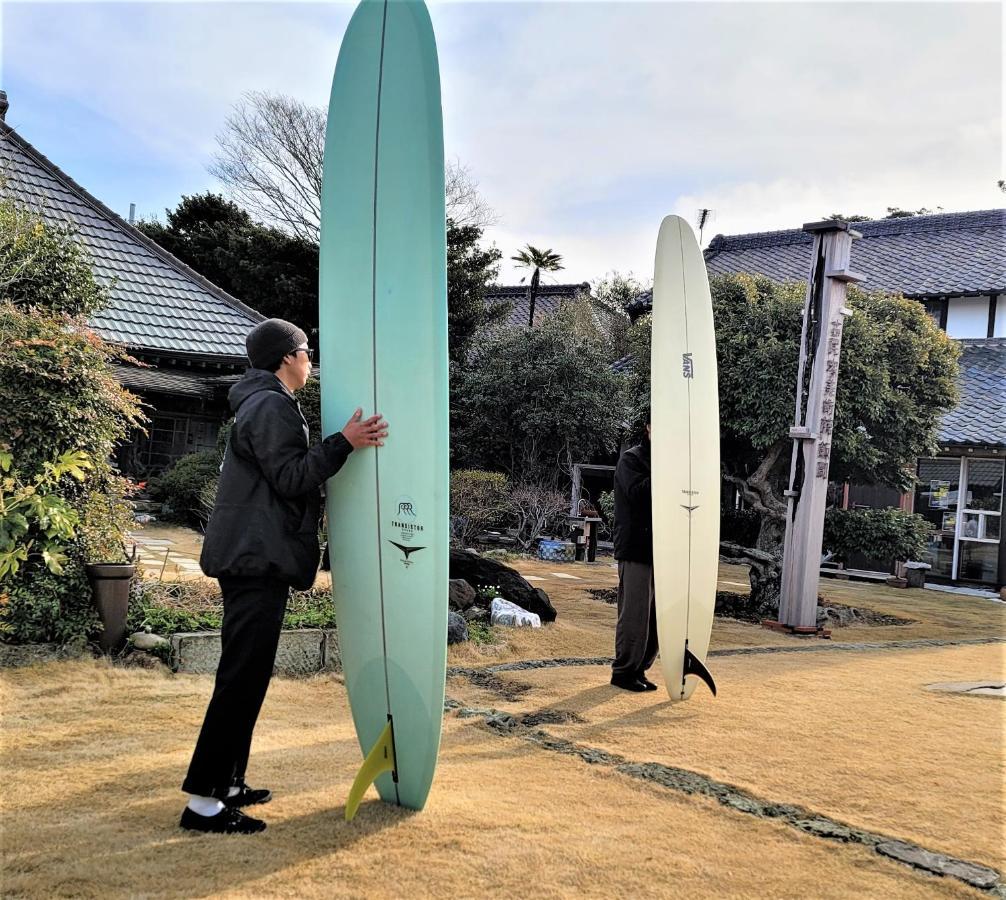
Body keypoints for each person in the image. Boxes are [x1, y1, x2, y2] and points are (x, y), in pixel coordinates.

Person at [180, 318, 387, 834]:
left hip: (255, 556)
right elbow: (292, 476)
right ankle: (202, 804)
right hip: (255, 560)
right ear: (286, 358)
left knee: (247, 676)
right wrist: (344, 442)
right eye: (306, 351)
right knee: (240, 679)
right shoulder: (270, 404)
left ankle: (227, 783)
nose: (310, 360)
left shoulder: (266, 401)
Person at [610, 420, 658, 692]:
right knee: (635, 612)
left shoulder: (673, 459)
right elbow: (638, 494)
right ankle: (624, 671)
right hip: (636, 546)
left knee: (657, 616)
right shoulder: (632, 459)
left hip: (664, 548)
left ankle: (641, 668)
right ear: (648, 428)